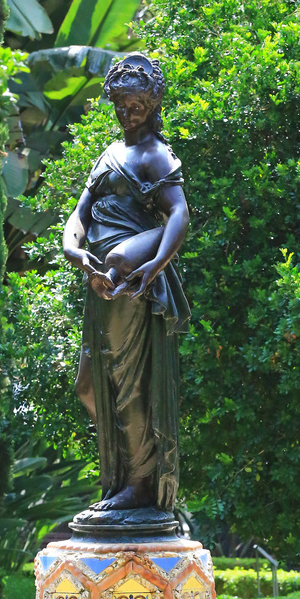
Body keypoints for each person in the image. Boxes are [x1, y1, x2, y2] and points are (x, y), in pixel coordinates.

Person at [62, 53, 190, 513]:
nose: (126, 114)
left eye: (135, 106)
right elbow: (78, 216)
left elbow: (179, 214)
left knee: (126, 382)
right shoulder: (110, 155)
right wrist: (74, 251)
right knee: (91, 386)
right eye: (120, 105)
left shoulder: (157, 156)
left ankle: (139, 482)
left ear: (153, 104)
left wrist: (153, 266)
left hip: (129, 281)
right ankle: (131, 468)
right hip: (98, 281)